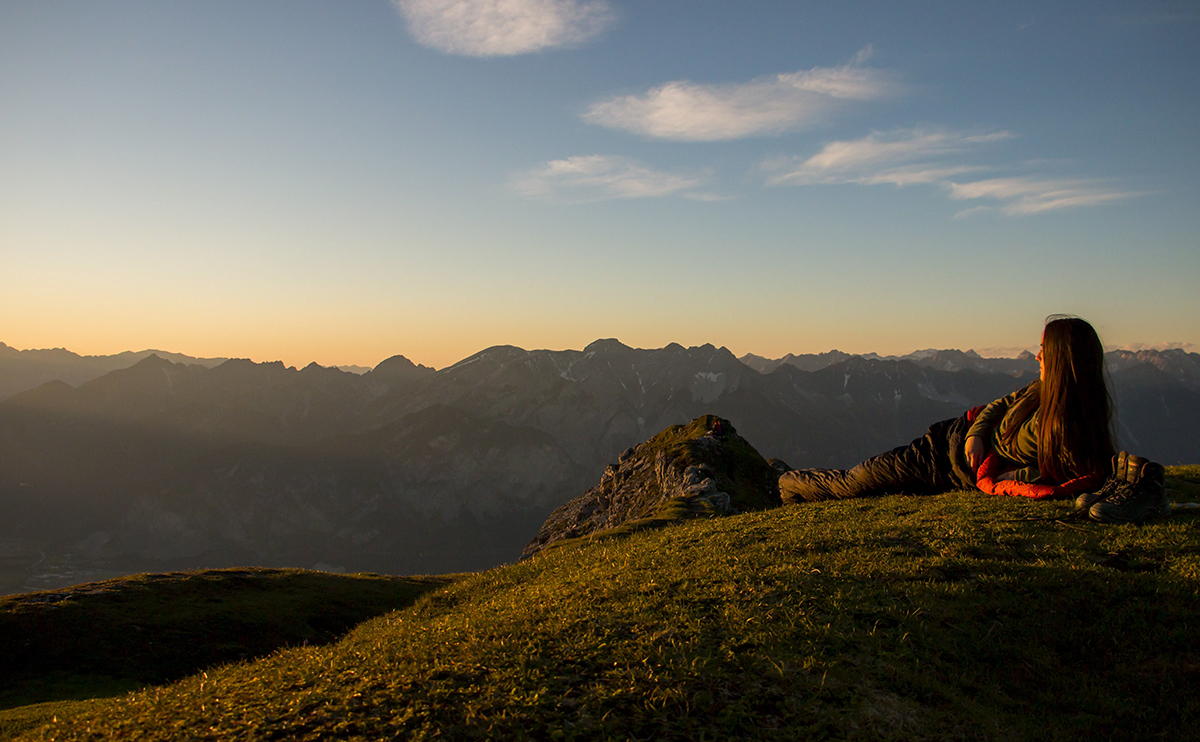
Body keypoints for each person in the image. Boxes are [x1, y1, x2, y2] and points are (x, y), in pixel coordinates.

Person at [779, 315, 1116, 503]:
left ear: (1062, 359)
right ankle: (787, 483)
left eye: (1044, 350)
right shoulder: (1046, 392)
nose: (1037, 356)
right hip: (947, 444)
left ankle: (785, 483)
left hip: (944, 463)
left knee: (855, 482)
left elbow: (1046, 477)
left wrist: (1004, 471)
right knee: (857, 480)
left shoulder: (1057, 425)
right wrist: (978, 437)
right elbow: (998, 405)